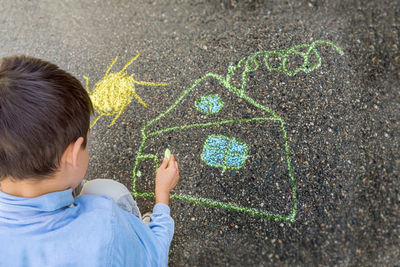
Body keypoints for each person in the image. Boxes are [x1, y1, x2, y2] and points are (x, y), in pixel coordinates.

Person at [0, 55, 180, 267]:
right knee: (110, 191)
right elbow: (155, 258)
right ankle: (138, 230)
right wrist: (162, 197)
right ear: (73, 153)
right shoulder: (104, 225)